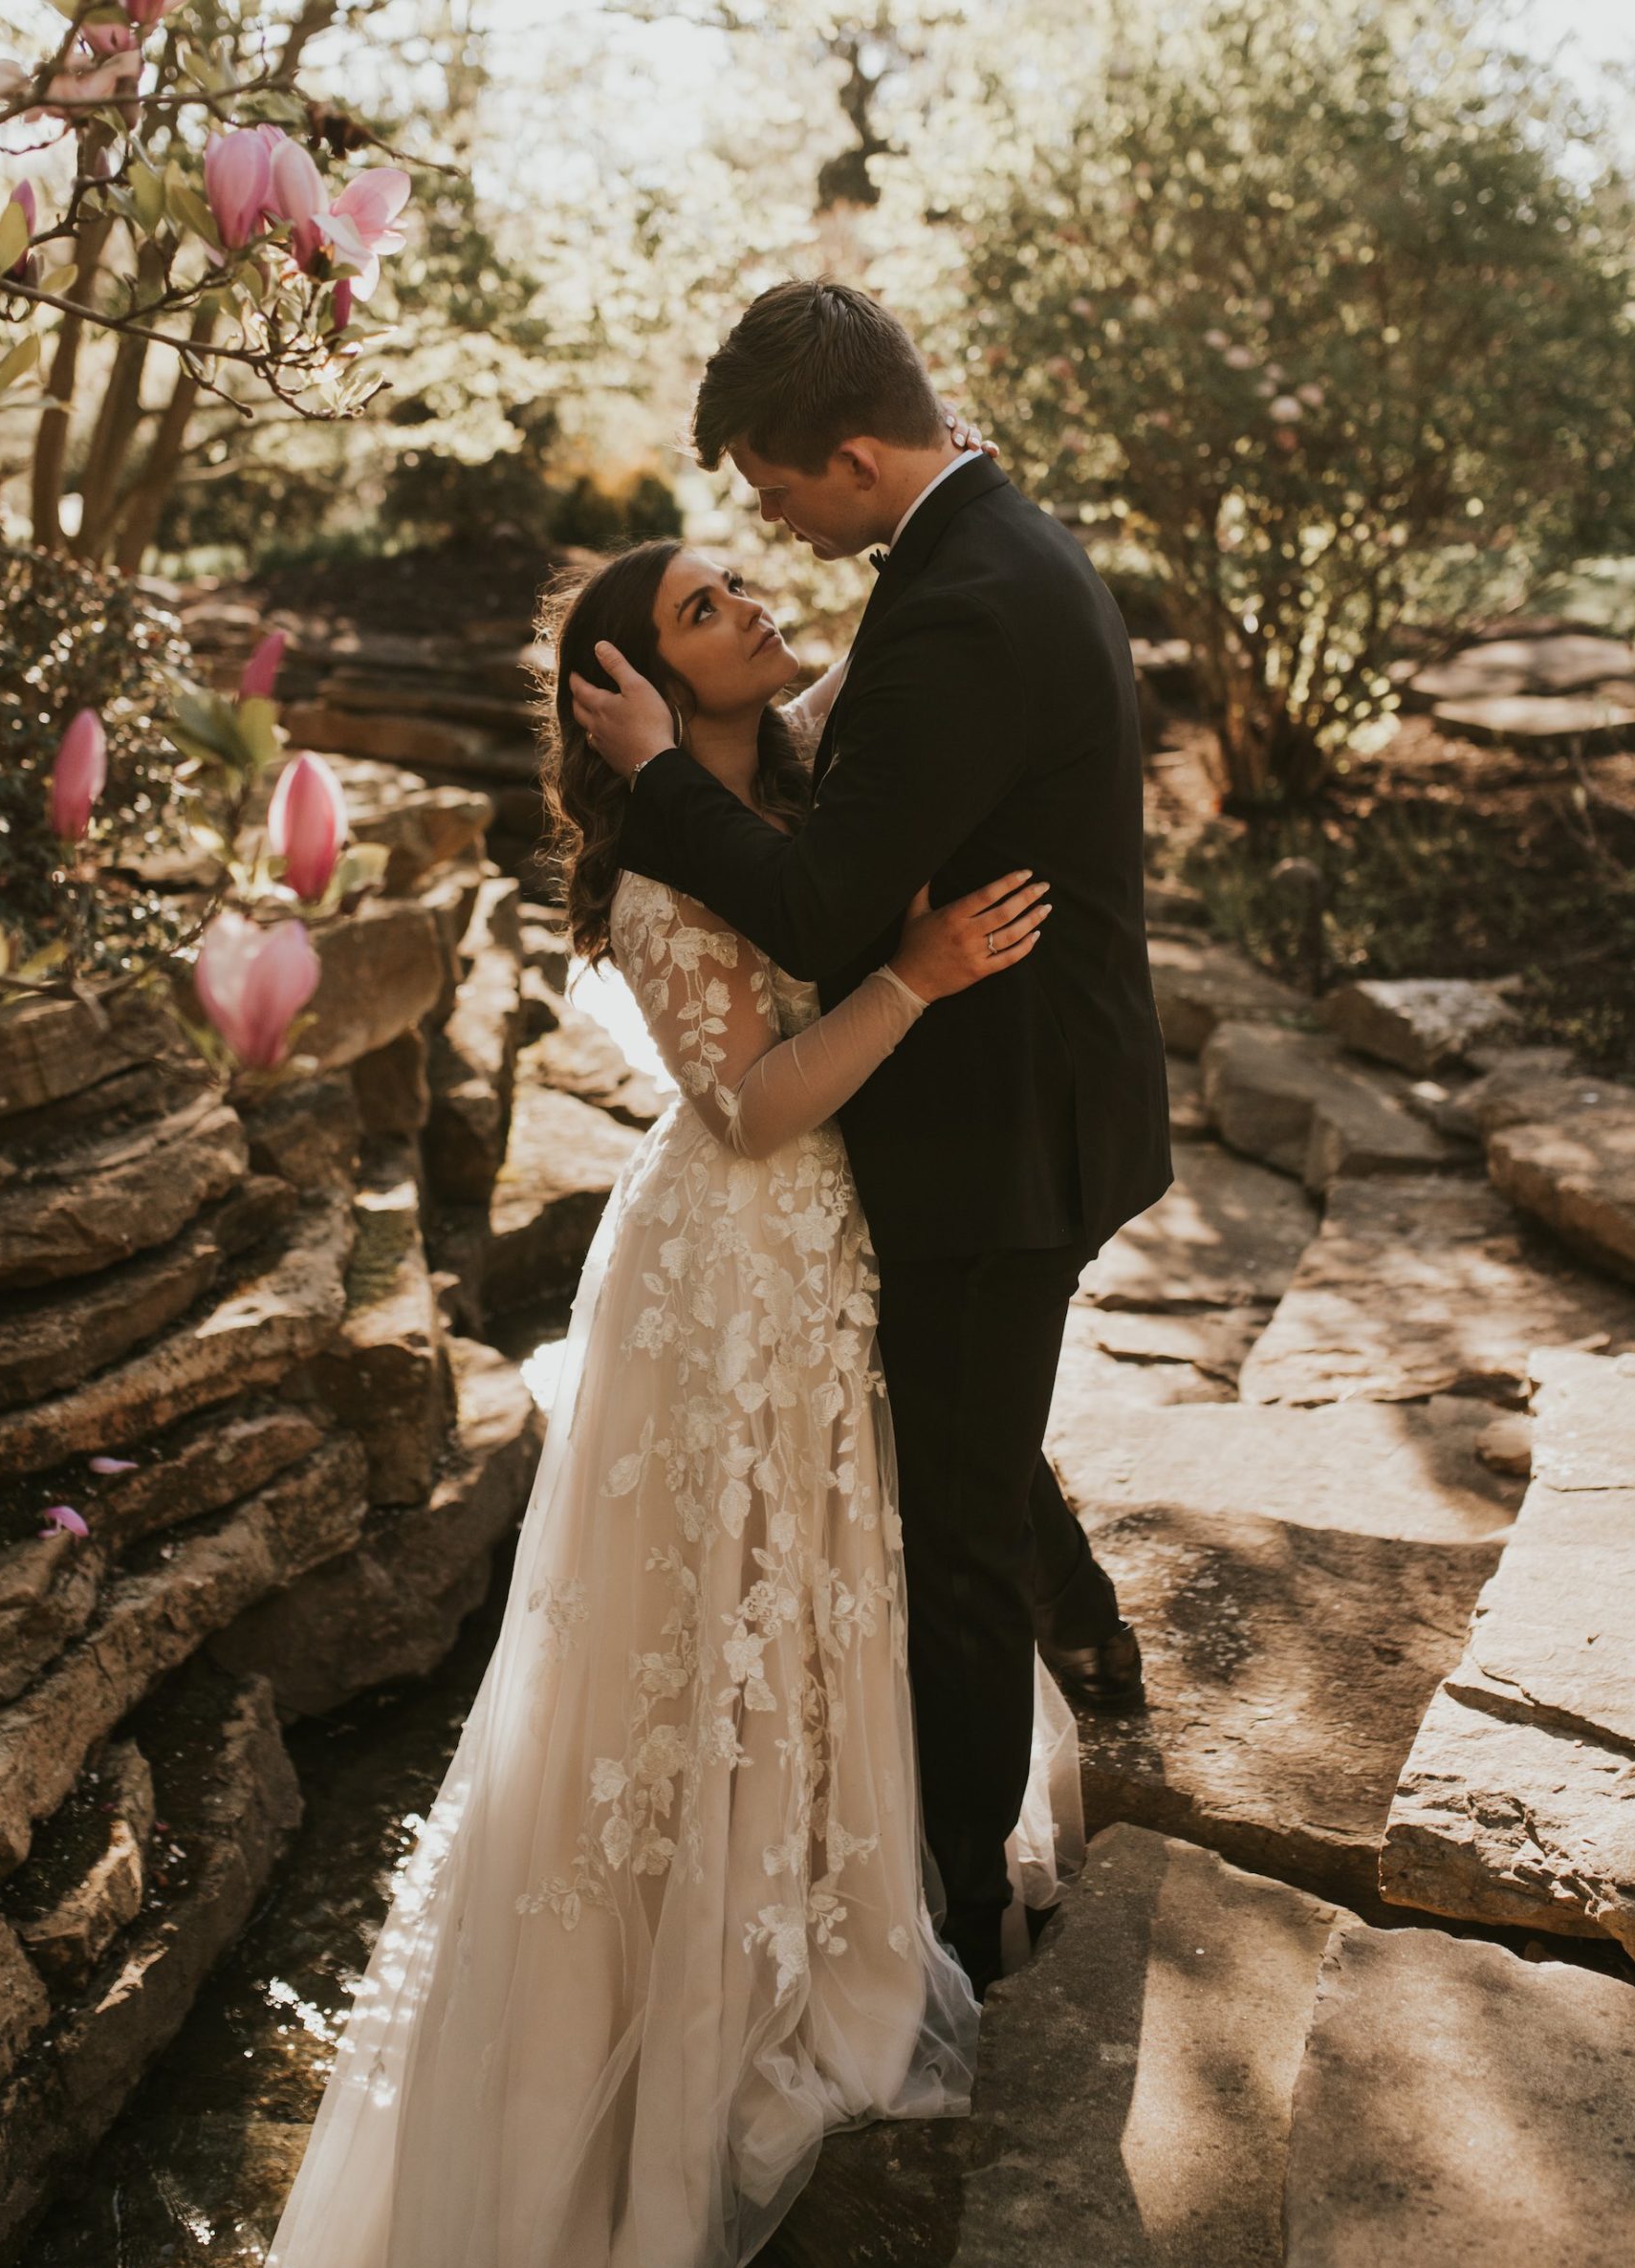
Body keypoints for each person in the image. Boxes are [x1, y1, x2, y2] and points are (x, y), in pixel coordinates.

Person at [205, 534, 1084, 2268]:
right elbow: (751, 1102)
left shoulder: (790, 772)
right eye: (704, 607)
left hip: (821, 1265)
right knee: (694, 1646)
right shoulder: (668, 857)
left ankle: (819, 1888)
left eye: (745, 576)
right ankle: (661, 2035)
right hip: (732, 1271)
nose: (755, 602)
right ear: (637, 691)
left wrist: (723, 685)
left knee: (819, 1594)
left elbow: (907, 645)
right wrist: (925, 976)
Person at [574, 279, 1172, 1996]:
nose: (767, 535)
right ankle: (1073, 1671)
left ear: (852, 453)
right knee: (954, 1452)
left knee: (959, 1527)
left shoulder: (964, 603)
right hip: (950, 1132)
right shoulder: (977, 556)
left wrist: (663, 781)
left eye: (774, 494)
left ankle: (965, 1918)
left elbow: (830, 903)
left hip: (1003, 1144)